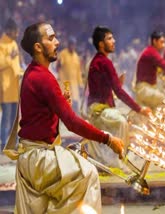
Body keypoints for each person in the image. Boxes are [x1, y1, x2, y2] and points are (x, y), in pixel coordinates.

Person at [6, 22, 124, 214]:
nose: (57, 42)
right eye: (51, 38)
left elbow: (40, 116)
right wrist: (107, 139)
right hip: (39, 158)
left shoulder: (35, 72)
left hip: (33, 156)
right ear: (38, 47)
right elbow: (72, 122)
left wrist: (60, 103)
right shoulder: (43, 77)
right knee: (88, 174)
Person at [87, 26, 151, 167]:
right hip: (98, 110)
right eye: (109, 38)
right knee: (122, 121)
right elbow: (119, 92)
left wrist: (115, 85)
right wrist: (139, 109)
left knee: (126, 119)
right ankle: (118, 160)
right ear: (101, 44)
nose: (114, 41)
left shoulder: (99, 61)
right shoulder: (104, 62)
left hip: (100, 107)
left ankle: (116, 157)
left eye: (113, 37)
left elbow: (106, 88)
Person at [135, 31, 165, 109]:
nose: (163, 45)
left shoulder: (151, 51)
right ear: (154, 41)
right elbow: (163, 64)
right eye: (161, 42)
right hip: (144, 89)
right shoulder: (151, 52)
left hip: (148, 88)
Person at [0, 19, 22, 150]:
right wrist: (11, 57)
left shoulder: (14, 44)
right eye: (15, 31)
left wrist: (22, 73)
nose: (17, 34)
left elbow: (16, 66)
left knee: (15, 121)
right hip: (5, 89)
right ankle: (3, 144)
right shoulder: (1, 45)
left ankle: (13, 144)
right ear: (9, 31)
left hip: (15, 88)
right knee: (6, 119)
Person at [57, 36, 83, 113]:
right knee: (65, 103)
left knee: (75, 103)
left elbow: (79, 71)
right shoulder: (63, 54)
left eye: (74, 45)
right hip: (65, 84)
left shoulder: (76, 57)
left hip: (74, 84)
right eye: (71, 44)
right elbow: (58, 66)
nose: (72, 46)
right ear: (68, 45)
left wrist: (80, 84)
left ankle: (75, 120)